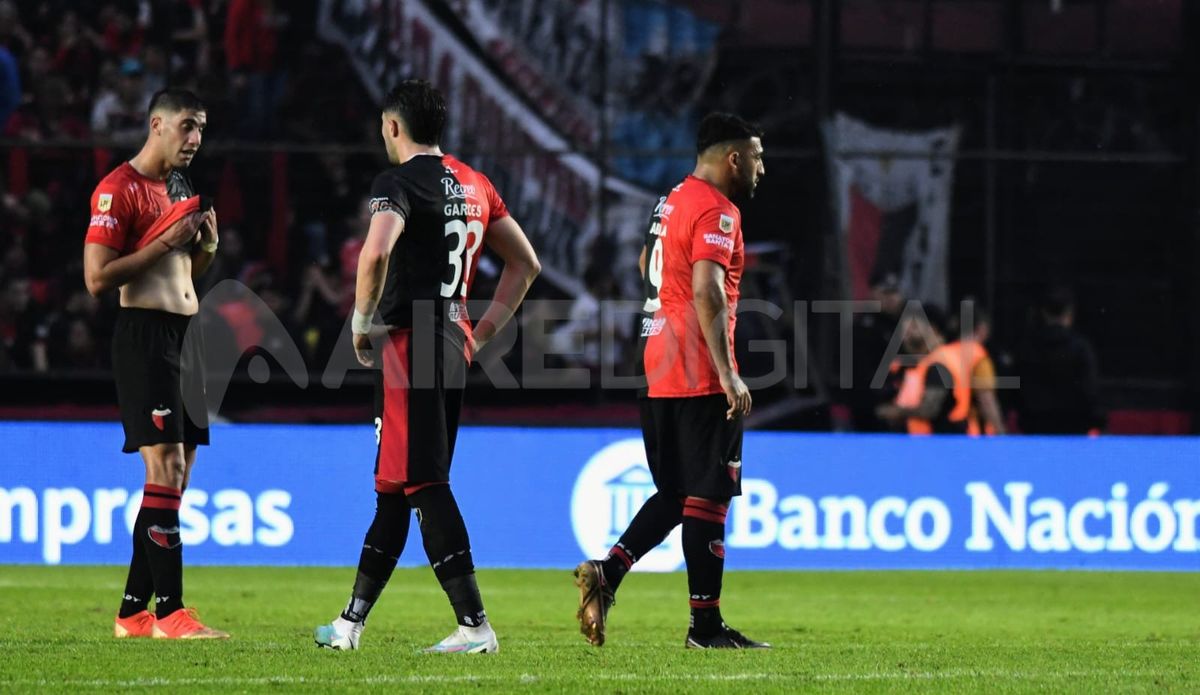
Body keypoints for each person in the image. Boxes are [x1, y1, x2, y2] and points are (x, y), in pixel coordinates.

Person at [313, 80, 540, 654]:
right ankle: (349, 624)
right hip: (451, 339)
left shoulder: (395, 182)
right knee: (395, 486)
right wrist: (481, 331)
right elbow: (526, 263)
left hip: (410, 342)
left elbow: (377, 252)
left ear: (393, 126)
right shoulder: (476, 183)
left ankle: (474, 625)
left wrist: (361, 323)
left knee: (425, 483)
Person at [574, 113, 769, 650]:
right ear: (733, 158)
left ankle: (607, 573)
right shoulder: (717, 210)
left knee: (677, 490)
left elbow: (646, 262)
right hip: (697, 366)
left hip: (655, 360)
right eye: (756, 156)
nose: (761, 168)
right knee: (710, 496)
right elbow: (707, 288)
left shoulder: (673, 199)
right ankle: (704, 629)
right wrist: (728, 372)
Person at [82, 88, 227, 639]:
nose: (195, 139)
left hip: (186, 336)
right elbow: (97, 278)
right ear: (157, 124)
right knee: (164, 469)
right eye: (188, 126)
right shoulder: (117, 190)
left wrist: (206, 248)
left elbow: (187, 275)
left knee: (178, 477)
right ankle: (171, 613)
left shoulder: (180, 187)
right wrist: (167, 242)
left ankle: (132, 613)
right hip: (144, 337)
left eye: (202, 128)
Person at [1016, 285, 1103, 434]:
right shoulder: (1080, 348)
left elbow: (1016, 384)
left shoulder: (1027, 347)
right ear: (1070, 313)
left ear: (1044, 312)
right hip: (1073, 430)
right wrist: (1097, 421)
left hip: (1034, 428)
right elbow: (1090, 389)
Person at [876, 306, 972, 435]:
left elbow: (930, 409)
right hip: (919, 442)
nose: (906, 331)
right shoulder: (913, 365)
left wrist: (895, 412)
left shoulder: (939, 364)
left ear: (933, 329)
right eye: (904, 327)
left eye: (914, 326)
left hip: (941, 442)